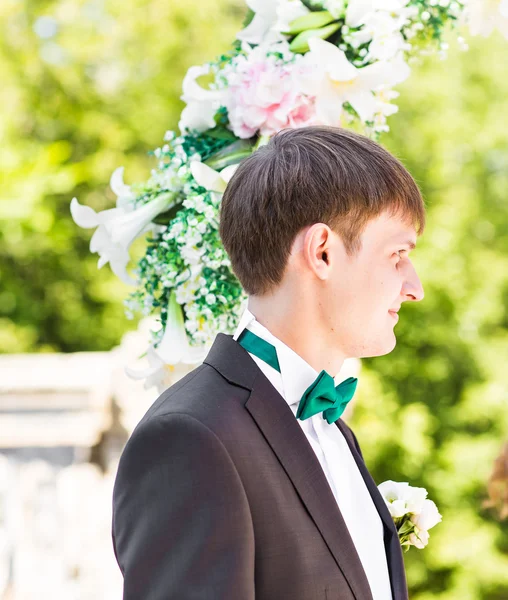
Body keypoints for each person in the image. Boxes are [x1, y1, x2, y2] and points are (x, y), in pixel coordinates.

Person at [112, 126, 425, 600]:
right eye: (398, 254)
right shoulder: (191, 436)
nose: (415, 286)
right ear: (322, 252)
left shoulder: (332, 429)